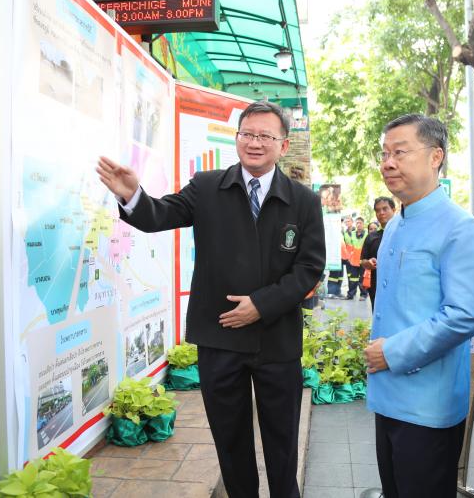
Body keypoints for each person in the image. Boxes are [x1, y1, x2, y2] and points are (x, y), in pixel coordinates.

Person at [96, 100, 325, 498]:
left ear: (283, 145)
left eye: (265, 136)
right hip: (220, 339)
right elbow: (159, 215)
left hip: (277, 341)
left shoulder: (304, 200)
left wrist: (261, 305)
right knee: (230, 441)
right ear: (237, 139)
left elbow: (309, 268)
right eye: (247, 134)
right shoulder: (206, 187)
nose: (255, 143)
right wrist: (133, 196)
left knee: (283, 441)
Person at [364, 114, 474, 498]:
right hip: (387, 395)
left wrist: (392, 352)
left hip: (428, 404)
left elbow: (465, 315)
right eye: (385, 154)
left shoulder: (459, 227)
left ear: (436, 157)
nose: (388, 163)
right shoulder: (394, 225)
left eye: (400, 152)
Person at [359, 196, 395, 310]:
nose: (381, 213)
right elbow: (362, 261)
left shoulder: (403, 234)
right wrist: (368, 263)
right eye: (378, 210)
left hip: (398, 287)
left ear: (393, 210)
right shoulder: (371, 237)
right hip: (376, 287)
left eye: (385, 209)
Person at [345, 217, 369, 300]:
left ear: (363, 224)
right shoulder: (352, 234)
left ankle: (363, 294)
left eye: (360, 223)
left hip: (363, 260)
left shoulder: (367, 234)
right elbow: (349, 246)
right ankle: (351, 294)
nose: (358, 224)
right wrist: (349, 257)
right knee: (353, 279)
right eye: (357, 223)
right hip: (354, 260)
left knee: (362, 278)